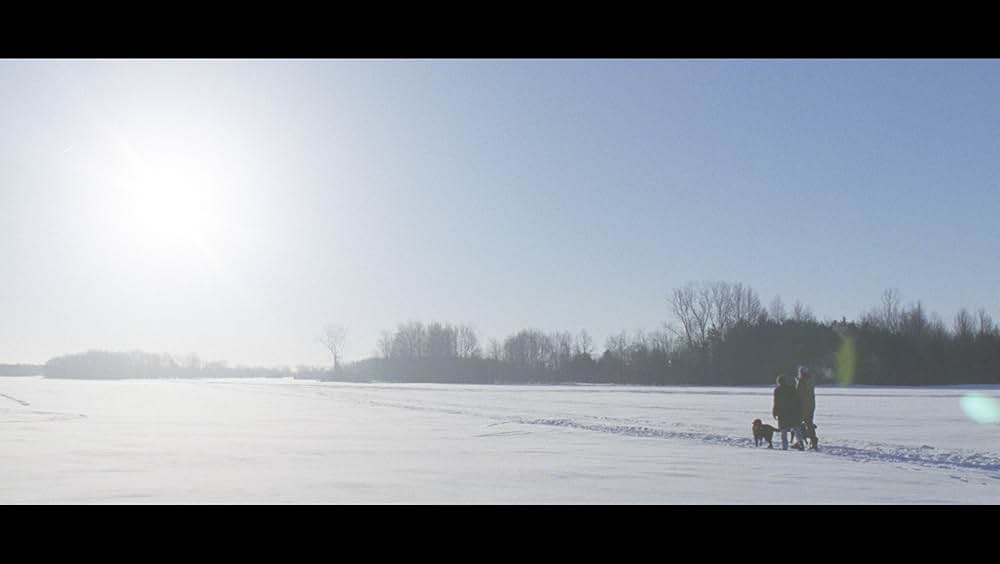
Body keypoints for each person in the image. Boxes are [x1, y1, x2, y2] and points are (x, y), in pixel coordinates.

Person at [772, 374, 805, 450]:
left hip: (783, 413)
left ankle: (785, 447)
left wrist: (774, 412)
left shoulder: (777, 390)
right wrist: (800, 411)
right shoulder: (792, 388)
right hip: (793, 412)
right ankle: (801, 444)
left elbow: (776, 402)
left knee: (783, 431)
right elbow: (798, 401)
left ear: (778, 382)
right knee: (796, 429)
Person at [796, 366, 818, 450]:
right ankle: (813, 441)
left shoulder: (801, 382)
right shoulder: (810, 381)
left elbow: (798, 394)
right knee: (809, 424)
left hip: (803, 406)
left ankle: (799, 442)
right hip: (811, 405)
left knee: (796, 425)